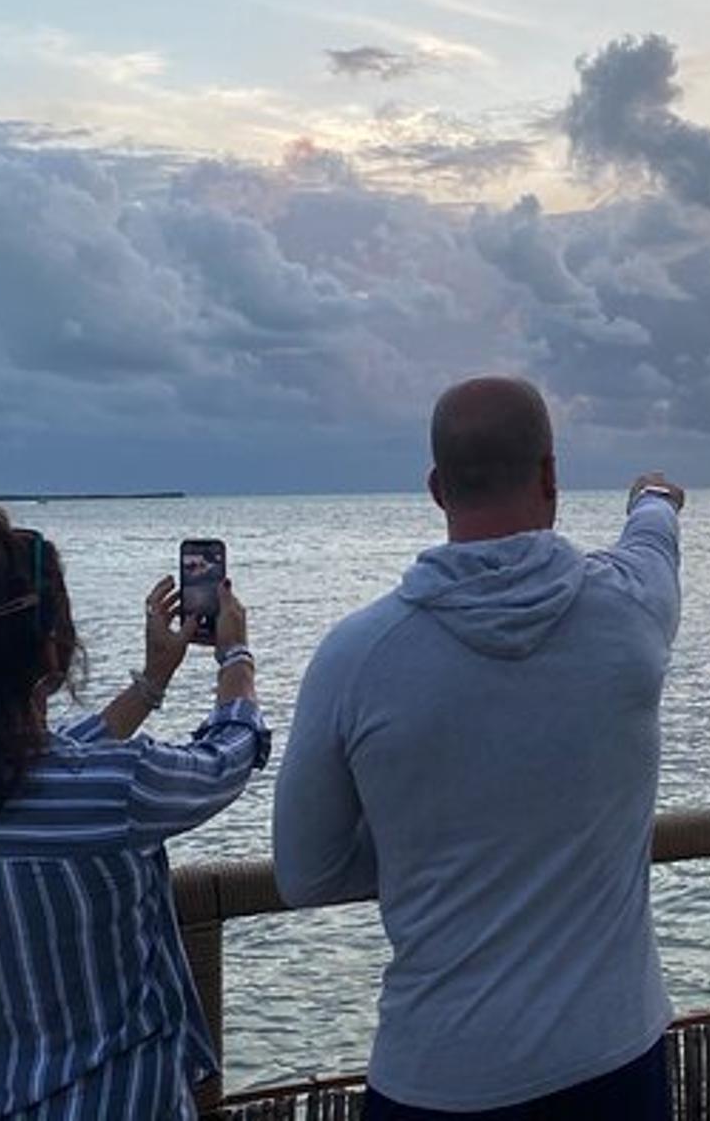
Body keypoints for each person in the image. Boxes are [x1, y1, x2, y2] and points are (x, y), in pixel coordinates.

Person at [272, 376, 685, 1119]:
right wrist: (653, 496)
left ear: (436, 487)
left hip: (438, 1075)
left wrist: (423, 850)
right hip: (616, 1061)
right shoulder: (630, 614)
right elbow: (652, 540)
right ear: (552, 474)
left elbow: (306, 872)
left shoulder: (357, 657)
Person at [0, 502, 269, 1120]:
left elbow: (45, 770)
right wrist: (234, 656)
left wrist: (152, 682)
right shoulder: (117, 792)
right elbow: (228, 758)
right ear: (54, 650)